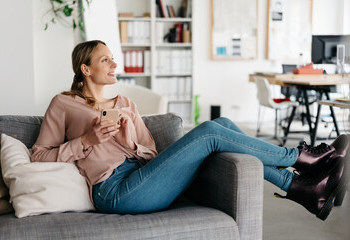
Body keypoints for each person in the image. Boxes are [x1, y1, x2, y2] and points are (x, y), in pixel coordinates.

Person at [31, 40, 350, 221]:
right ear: (85, 69)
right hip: (115, 191)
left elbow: (151, 155)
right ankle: (301, 158)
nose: (115, 64)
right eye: (105, 60)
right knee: (212, 130)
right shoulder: (63, 104)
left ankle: (305, 190)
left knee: (222, 126)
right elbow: (38, 156)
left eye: (114, 59)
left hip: (143, 176)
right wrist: (86, 141)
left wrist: (129, 138)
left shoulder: (126, 102)